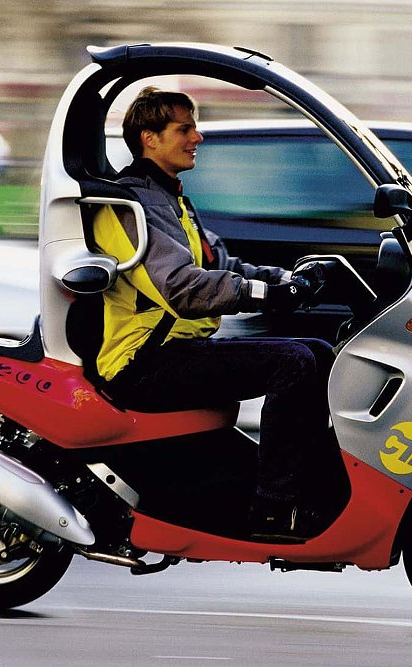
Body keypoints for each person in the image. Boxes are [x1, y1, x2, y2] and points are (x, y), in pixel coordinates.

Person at [91, 86, 334, 540]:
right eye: (184, 129)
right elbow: (181, 287)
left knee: (320, 352)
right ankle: (273, 509)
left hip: (178, 351)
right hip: (143, 362)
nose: (197, 137)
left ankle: (314, 488)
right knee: (293, 362)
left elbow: (218, 265)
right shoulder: (133, 205)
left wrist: (286, 278)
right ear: (150, 138)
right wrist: (262, 292)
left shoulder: (169, 198)